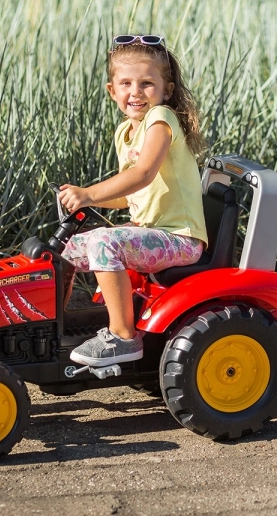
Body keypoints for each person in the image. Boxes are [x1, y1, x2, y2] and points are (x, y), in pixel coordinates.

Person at [58, 35, 208, 367]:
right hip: (150, 234)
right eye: (126, 83)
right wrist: (85, 202)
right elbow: (130, 194)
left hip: (178, 237)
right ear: (112, 90)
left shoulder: (161, 120)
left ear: (166, 90)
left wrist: (89, 193)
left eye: (146, 83)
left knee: (103, 244)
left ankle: (123, 337)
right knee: (67, 249)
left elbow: (142, 174)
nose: (135, 91)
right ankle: (57, 324)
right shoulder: (126, 131)